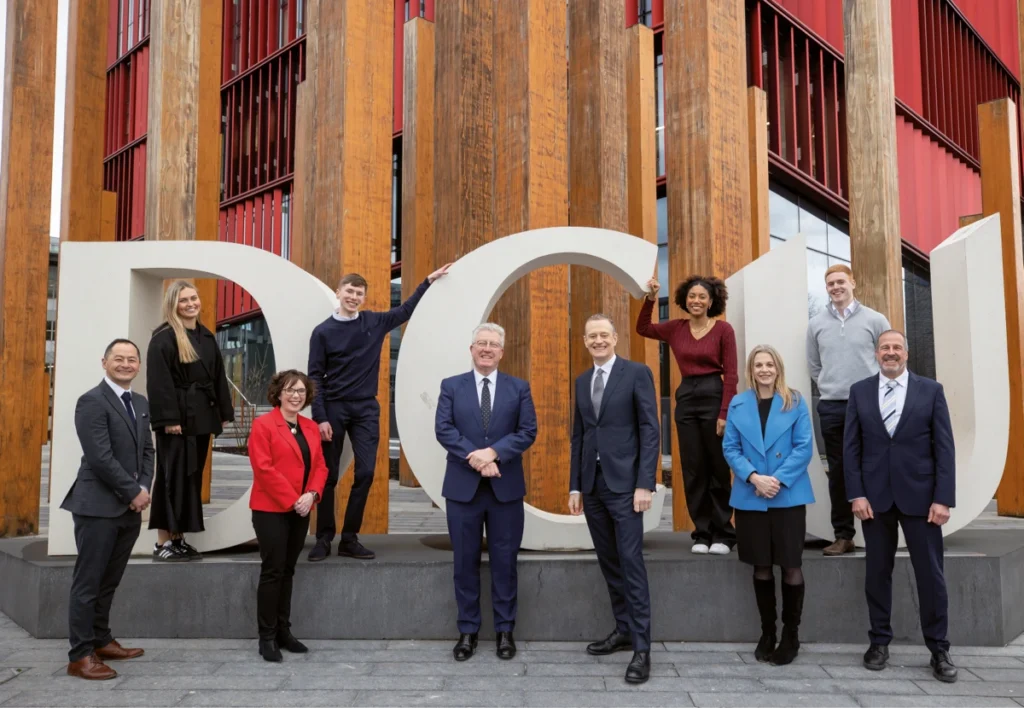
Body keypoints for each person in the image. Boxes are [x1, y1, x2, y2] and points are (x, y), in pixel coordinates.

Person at [308, 264, 451, 562]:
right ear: (338, 292)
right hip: (333, 408)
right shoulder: (322, 332)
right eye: (349, 291)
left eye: (359, 293)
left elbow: (406, 310)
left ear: (363, 298)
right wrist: (320, 417)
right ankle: (324, 537)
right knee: (328, 476)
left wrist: (427, 279)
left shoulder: (374, 322)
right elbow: (314, 377)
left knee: (367, 472)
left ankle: (349, 538)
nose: (353, 296)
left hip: (365, 409)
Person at [844, 330, 957, 683]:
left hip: (923, 500)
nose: (890, 353)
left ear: (907, 353)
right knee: (877, 573)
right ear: (876, 354)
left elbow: (945, 448)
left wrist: (943, 498)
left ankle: (939, 649)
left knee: (931, 576)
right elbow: (850, 449)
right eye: (884, 348)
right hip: (873, 500)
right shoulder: (859, 391)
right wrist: (856, 494)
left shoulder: (931, 390)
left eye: (896, 348)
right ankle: (879, 642)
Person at [434, 323, 537, 662]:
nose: (487, 349)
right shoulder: (451, 386)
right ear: (472, 348)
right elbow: (444, 429)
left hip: (505, 490)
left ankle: (505, 631)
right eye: (481, 343)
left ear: (502, 352)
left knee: (505, 562)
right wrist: (477, 459)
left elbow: (527, 431)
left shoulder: (518, 388)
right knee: (464, 563)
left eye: (494, 344)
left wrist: (493, 454)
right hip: (463, 490)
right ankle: (468, 631)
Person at [569, 314, 659, 685]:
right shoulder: (581, 380)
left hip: (626, 487)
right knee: (609, 561)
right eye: (592, 336)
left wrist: (645, 483)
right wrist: (575, 485)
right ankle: (623, 630)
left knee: (631, 563)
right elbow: (579, 436)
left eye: (604, 335)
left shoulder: (637, 373)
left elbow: (650, 430)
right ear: (585, 341)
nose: (598, 341)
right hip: (592, 486)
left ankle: (642, 648)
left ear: (616, 338)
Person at [63, 339, 153, 680]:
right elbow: (99, 457)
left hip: (129, 508)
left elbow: (148, 451)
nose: (126, 364)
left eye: (132, 359)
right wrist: (132, 491)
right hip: (97, 507)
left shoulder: (141, 402)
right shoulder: (91, 401)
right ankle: (80, 655)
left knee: (109, 580)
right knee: (88, 582)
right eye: (119, 359)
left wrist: (143, 489)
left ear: (138, 366)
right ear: (104, 362)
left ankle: (101, 639)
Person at [722, 345, 815, 666]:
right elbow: (730, 447)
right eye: (758, 364)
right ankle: (767, 632)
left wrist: (775, 480)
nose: (764, 369)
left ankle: (791, 635)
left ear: (778, 368)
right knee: (761, 565)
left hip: (787, 494)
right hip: (751, 496)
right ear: (751, 370)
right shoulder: (738, 403)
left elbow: (804, 447)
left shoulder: (796, 401)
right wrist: (753, 477)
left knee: (790, 565)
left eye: (769, 364)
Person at [637, 275, 737, 554]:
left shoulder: (723, 330)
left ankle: (724, 534)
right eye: (692, 296)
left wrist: (724, 413)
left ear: (711, 301)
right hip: (687, 398)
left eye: (702, 297)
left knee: (718, 468)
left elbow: (731, 374)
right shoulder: (676, 328)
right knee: (694, 470)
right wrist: (651, 298)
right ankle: (702, 534)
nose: (696, 301)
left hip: (714, 395)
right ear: (685, 299)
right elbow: (643, 327)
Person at [147, 280, 234, 561]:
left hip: (201, 418)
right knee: (171, 478)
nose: (190, 304)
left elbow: (218, 376)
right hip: (178, 421)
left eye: (193, 298)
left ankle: (179, 538)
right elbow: (158, 383)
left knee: (191, 478)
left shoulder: (205, 336)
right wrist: (169, 419)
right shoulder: (164, 337)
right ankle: (163, 543)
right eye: (183, 300)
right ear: (173, 304)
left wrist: (224, 412)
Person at [807, 265, 890, 555]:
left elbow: (887, 359)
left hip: (870, 405)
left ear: (853, 283)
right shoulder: (816, 323)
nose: (835, 287)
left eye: (841, 281)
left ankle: (879, 531)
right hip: (831, 407)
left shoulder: (875, 320)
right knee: (840, 472)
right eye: (830, 283)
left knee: (875, 467)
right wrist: (835, 387)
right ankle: (844, 535)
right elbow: (815, 366)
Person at [248, 370, 328, 662]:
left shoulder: (309, 427)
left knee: (289, 570)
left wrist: (312, 495)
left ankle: (284, 631)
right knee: (273, 570)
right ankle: (266, 636)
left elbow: (320, 466)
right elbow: (263, 468)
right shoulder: (263, 425)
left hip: (302, 508)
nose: (296, 396)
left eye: (301, 391)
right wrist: (294, 499)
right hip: (271, 509)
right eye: (290, 390)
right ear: (278, 393)